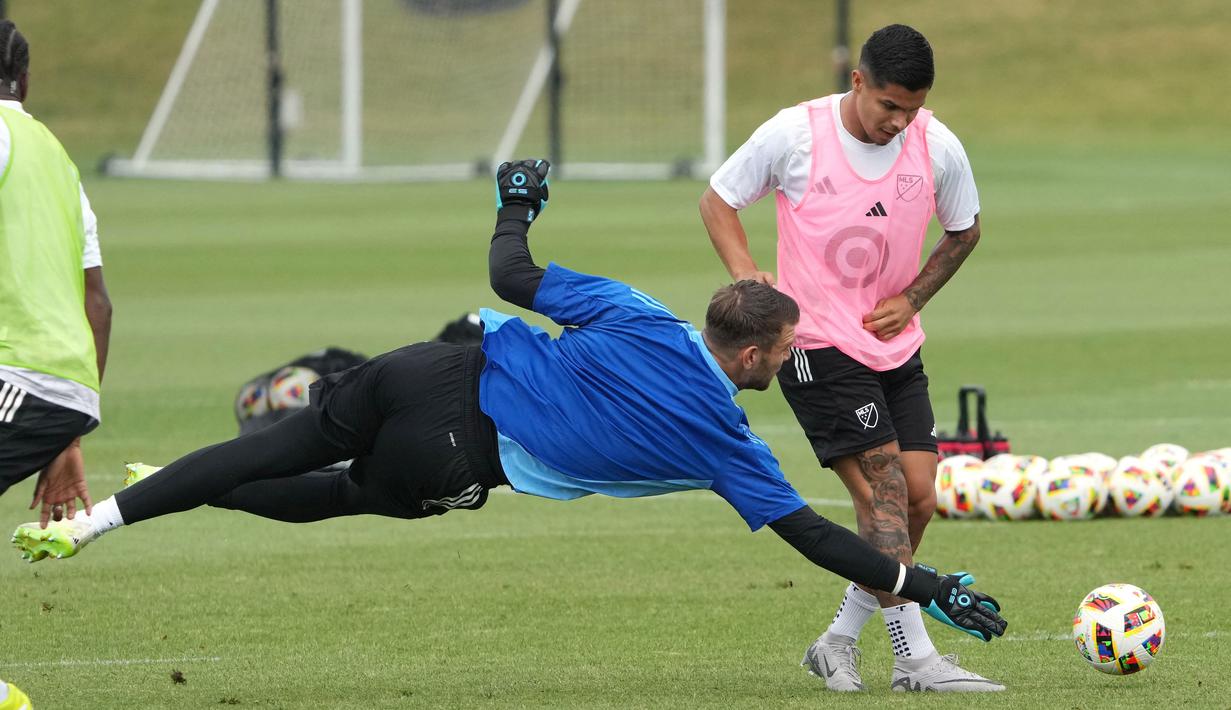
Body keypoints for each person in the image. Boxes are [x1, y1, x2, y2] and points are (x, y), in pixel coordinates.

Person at [13, 161, 1006, 655]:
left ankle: (108, 512)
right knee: (333, 494)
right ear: (750, 353)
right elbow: (816, 540)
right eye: (785, 351)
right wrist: (927, 585)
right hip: (455, 454)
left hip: (430, 367)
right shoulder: (726, 441)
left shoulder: (644, 310)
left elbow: (508, 268)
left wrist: (517, 196)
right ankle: (168, 496)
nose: (791, 362)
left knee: (284, 441)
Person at [699, 25, 994, 691]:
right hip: (816, 344)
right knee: (882, 495)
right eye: (888, 105)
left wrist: (913, 296)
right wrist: (749, 278)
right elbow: (716, 199)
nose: (899, 122)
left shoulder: (936, 145)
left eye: (911, 110)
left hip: (893, 347)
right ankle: (915, 661)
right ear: (856, 82)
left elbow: (964, 228)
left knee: (916, 500)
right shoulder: (794, 134)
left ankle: (836, 641)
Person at [0, 20, 110, 710]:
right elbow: (97, 303)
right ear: (27, 82)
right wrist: (66, 432)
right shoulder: (57, 157)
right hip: (59, 384)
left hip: (18, 371)